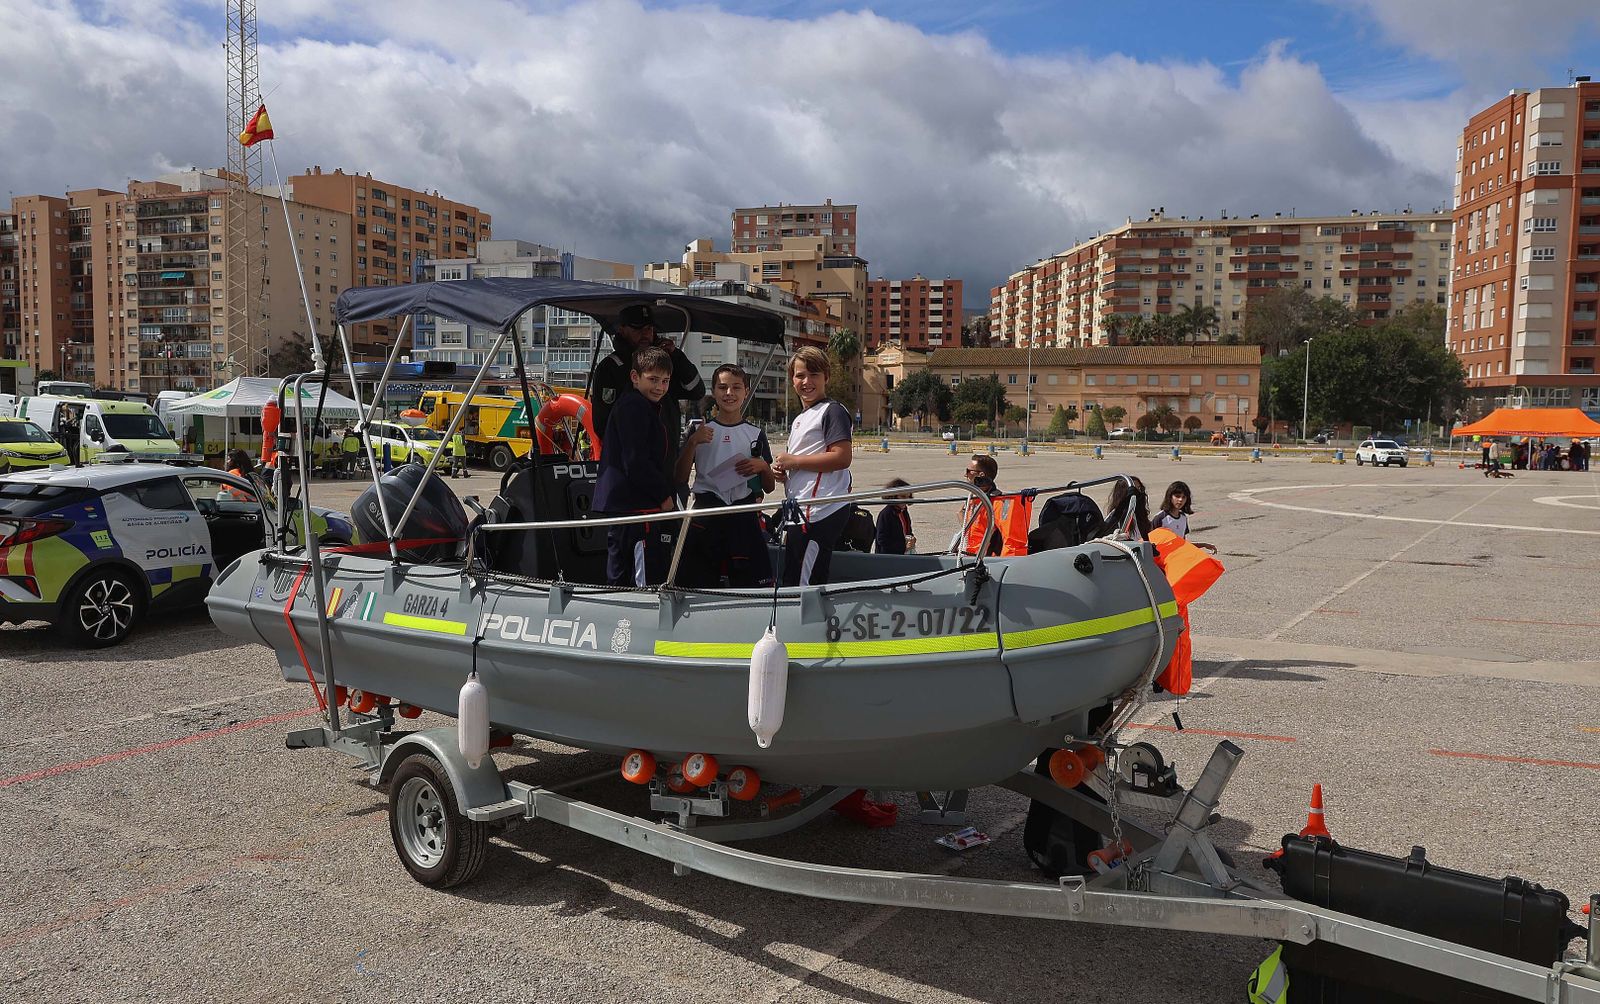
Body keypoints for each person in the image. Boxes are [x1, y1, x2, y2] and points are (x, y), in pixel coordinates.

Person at [674, 364, 775, 587]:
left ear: (746, 391)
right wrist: (692, 442)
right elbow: (680, 478)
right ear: (714, 391)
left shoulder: (755, 435)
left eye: (736, 387)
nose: (729, 393)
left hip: (742, 515)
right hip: (706, 513)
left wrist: (763, 467)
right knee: (696, 583)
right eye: (723, 387)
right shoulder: (699, 431)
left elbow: (769, 488)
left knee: (751, 584)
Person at [594, 347, 679, 588]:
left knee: (623, 569)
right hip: (636, 508)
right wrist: (663, 495)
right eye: (653, 379)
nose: (660, 387)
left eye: (665, 381)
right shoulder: (634, 407)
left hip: (630, 507)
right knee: (639, 574)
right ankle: (639, 613)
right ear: (635, 377)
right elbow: (635, 461)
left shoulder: (640, 406)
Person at [771, 346, 853, 587]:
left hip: (819, 512)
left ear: (826, 377)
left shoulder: (832, 411)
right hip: (801, 511)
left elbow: (841, 457)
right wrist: (785, 472)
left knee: (803, 582)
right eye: (800, 375)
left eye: (814, 374)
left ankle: (804, 622)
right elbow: (808, 462)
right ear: (792, 380)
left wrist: (794, 461)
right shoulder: (801, 418)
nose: (806, 381)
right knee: (793, 576)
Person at [590, 303, 705, 451]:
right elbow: (602, 423)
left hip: (667, 457)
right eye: (637, 328)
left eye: (649, 328)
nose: (645, 333)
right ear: (622, 330)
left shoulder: (665, 361)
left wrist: (676, 356)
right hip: (630, 459)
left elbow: (697, 391)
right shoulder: (610, 368)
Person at [1154, 481, 1218, 554]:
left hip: (1179, 557)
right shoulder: (1160, 518)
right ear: (1170, 497)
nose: (1181, 500)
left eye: (1183, 497)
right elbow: (1150, 543)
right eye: (1177, 496)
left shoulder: (1183, 518)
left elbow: (1182, 544)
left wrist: (1203, 545)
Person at [873, 478, 916, 555]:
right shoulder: (886, 514)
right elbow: (882, 539)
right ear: (893, 496)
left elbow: (907, 530)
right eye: (903, 497)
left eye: (908, 497)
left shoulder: (904, 511)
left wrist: (911, 539)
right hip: (888, 556)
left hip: (903, 553)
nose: (906, 500)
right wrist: (903, 546)